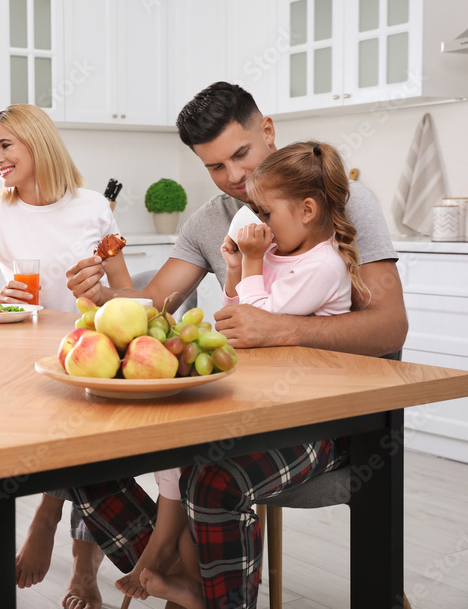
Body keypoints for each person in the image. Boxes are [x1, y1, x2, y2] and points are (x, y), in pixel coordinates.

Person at [64, 82, 407, 609]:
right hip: (243, 411)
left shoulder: (337, 197)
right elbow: (157, 303)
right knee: (85, 466)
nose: (236, 179)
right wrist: (105, 294)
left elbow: (390, 327)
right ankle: (198, 588)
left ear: (267, 131)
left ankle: (200, 590)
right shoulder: (208, 221)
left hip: (335, 421)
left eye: (241, 155)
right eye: (215, 167)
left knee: (215, 479)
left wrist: (284, 329)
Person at [116, 140, 370, 608]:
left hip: (313, 417)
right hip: (268, 401)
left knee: (211, 477)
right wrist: (237, 267)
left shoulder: (324, 266)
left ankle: (211, 595)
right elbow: (238, 314)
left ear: (308, 210)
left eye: (265, 213)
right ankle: (188, 575)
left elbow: (260, 326)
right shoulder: (280, 252)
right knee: (171, 444)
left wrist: (251, 263)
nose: (259, 224)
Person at [0, 103, 133, 609]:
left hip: (92, 349)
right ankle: (74, 551)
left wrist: (103, 292)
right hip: (29, 354)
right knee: (82, 440)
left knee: (92, 436)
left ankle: (54, 523)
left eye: (5, 145)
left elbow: (128, 294)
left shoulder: (94, 208)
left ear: (37, 142)